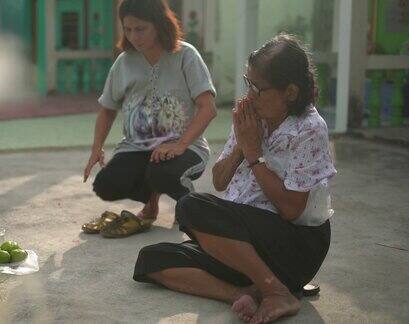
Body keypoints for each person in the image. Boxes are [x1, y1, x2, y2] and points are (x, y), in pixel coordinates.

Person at [133, 34, 337, 323]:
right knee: (151, 259)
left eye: (258, 88)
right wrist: (242, 144)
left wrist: (254, 154)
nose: (249, 95)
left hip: (294, 244)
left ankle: (275, 291)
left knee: (191, 207)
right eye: (247, 83)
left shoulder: (309, 129)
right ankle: (244, 291)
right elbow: (219, 180)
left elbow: (292, 210)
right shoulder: (250, 116)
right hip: (242, 246)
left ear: (290, 92)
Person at [82, 0, 217, 238]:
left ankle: (187, 201)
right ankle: (151, 202)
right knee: (105, 184)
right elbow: (107, 109)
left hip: (186, 147)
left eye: (141, 29)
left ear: (159, 24)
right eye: (128, 29)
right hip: (137, 146)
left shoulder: (186, 55)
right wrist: (97, 148)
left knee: (161, 173)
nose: (134, 36)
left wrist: (180, 144)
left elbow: (208, 107)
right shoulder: (124, 62)